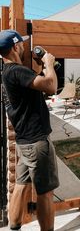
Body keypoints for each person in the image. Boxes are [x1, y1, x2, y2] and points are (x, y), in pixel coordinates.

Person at [0, 29, 59, 231]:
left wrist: (42, 67)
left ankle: (14, 226)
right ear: (15, 47)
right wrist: (49, 64)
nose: (25, 46)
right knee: (45, 192)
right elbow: (50, 86)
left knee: (21, 185)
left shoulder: (7, 73)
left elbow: (36, 86)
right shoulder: (17, 71)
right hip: (37, 142)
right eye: (22, 44)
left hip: (24, 141)